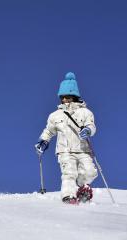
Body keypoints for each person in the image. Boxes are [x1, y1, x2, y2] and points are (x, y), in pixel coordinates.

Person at [35, 72, 98, 204]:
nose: (64, 100)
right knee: (68, 173)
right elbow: (49, 130)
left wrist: (88, 130)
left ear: (74, 96)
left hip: (83, 149)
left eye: (67, 97)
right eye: (62, 97)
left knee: (90, 172)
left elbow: (91, 126)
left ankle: (81, 187)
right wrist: (44, 140)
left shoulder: (86, 112)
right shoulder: (55, 115)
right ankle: (68, 196)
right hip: (65, 150)